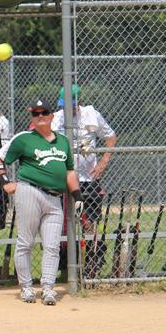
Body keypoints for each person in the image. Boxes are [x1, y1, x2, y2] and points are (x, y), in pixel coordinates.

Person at [0, 98, 82, 305]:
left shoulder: (62, 141)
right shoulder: (24, 138)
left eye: (44, 113)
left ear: (52, 116)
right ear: (32, 117)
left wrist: (77, 196)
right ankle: (26, 287)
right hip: (30, 191)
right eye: (36, 114)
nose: (40, 116)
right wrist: (5, 182)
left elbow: (69, 171)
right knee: (26, 242)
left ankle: (48, 288)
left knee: (52, 246)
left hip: (55, 198)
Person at [51, 85, 117, 277]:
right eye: (64, 105)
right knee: (61, 223)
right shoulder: (56, 118)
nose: (67, 109)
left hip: (88, 179)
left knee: (89, 223)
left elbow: (111, 138)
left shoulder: (91, 114)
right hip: (63, 180)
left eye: (71, 104)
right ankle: (65, 267)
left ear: (78, 101)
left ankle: (91, 264)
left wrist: (103, 162)